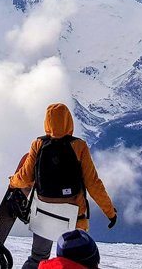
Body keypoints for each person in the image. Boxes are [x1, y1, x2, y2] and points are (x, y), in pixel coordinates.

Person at [9, 103, 117, 269]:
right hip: (73, 218)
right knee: (76, 264)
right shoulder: (79, 146)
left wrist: (12, 182)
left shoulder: (38, 144)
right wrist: (110, 212)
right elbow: (93, 183)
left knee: (38, 258)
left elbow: (24, 178)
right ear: (69, 121)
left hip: (43, 215)